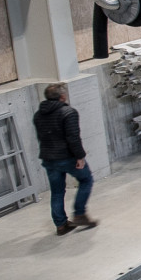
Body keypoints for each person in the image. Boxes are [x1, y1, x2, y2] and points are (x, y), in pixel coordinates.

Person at [34, 83, 97, 235]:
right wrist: (80, 157)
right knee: (86, 180)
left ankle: (61, 225)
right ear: (62, 97)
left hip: (49, 158)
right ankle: (79, 214)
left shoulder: (38, 114)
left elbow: (40, 136)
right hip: (66, 157)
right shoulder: (68, 112)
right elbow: (73, 137)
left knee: (57, 191)